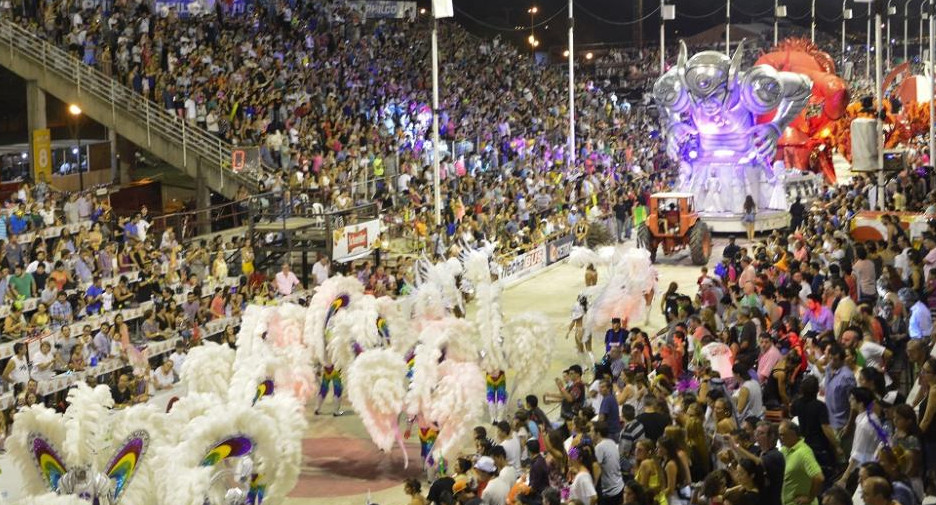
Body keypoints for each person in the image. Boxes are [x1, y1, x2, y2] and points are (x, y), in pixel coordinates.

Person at [778, 420, 823, 505]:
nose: (780, 438)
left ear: (793, 434)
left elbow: (819, 477)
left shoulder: (804, 452)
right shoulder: (785, 449)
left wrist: (809, 498)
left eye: (782, 435)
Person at [592, 420, 624, 505]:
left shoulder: (599, 447)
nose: (590, 433)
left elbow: (597, 470)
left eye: (591, 431)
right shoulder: (611, 442)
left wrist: (592, 489)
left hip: (609, 493)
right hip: (619, 486)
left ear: (598, 433)